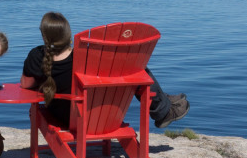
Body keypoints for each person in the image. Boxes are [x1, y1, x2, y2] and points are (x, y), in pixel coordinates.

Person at [20, 11, 189, 130]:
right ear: (68, 35)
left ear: (44, 36)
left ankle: (163, 103)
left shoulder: (37, 55)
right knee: (133, 66)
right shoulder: (87, 57)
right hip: (105, 117)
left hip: (65, 116)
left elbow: (26, 84)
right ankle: (162, 107)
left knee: (132, 66)